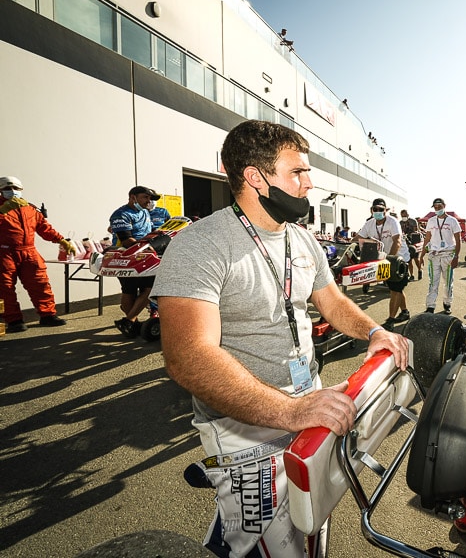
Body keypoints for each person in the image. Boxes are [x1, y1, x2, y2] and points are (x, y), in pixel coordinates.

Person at [153, 120, 409, 558]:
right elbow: (187, 357)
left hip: (305, 402)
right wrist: (290, 410)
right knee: (265, 543)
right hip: (244, 424)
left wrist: (374, 330)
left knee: (309, 523)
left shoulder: (301, 239)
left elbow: (331, 301)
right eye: (298, 173)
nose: (309, 183)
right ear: (256, 177)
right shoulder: (201, 245)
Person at [0, 176, 73, 332]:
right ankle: (13, 321)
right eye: (7, 189)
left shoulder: (30, 208)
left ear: (21, 190)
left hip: (29, 251)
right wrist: (3, 210)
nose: (12, 192)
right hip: (4, 252)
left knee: (40, 284)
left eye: (16, 189)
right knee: (4, 288)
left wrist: (61, 240)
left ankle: (47, 316)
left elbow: (44, 228)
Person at [109, 185, 159, 337]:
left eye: (149, 198)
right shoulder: (120, 214)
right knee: (138, 290)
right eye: (145, 197)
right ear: (133, 197)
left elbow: (149, 233)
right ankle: (130, 321)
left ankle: (131, 324)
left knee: (141, 289)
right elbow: (126, 240)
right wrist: (145, 248)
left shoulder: (145, 212)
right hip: (127, 256)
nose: (148, 201)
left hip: (143, 256)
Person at [356, 199, 411, 328]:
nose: (378, 212)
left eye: (381, 209)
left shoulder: (393, 222)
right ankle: (404, 312)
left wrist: (390, 259)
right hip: (384, 259)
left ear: (386, 210)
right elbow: (358, 237)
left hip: (398, 258)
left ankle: (391, 319)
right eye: (376, 209)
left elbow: (397, 241)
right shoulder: (369, 224)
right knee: (395, 287)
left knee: (395, 289)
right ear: (372, 210)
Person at [422, 198, 462, 314]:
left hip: (448, 255)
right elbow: (427, 238)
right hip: (434, 255)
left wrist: (456, 257)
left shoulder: (452, 221)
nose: (437, 208)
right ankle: (430, 306)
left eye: (439, 206)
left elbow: (458, 240)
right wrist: (421, 255)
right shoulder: (431, 221)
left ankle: (447, 303)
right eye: (435, 207)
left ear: (444, 206)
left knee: (448, 282)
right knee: (433, 282)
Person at [400, 209, 422, 281]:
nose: (404, 217)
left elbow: (416, 231)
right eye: (402, 216)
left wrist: (411, 234)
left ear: (408, 215)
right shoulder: (400, 223)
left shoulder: (413, 221)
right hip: (405, 243)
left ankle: (419, 270)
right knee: (408, 260)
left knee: (416, 259)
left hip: (414, 242)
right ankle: (411, 275)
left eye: (405, 215)